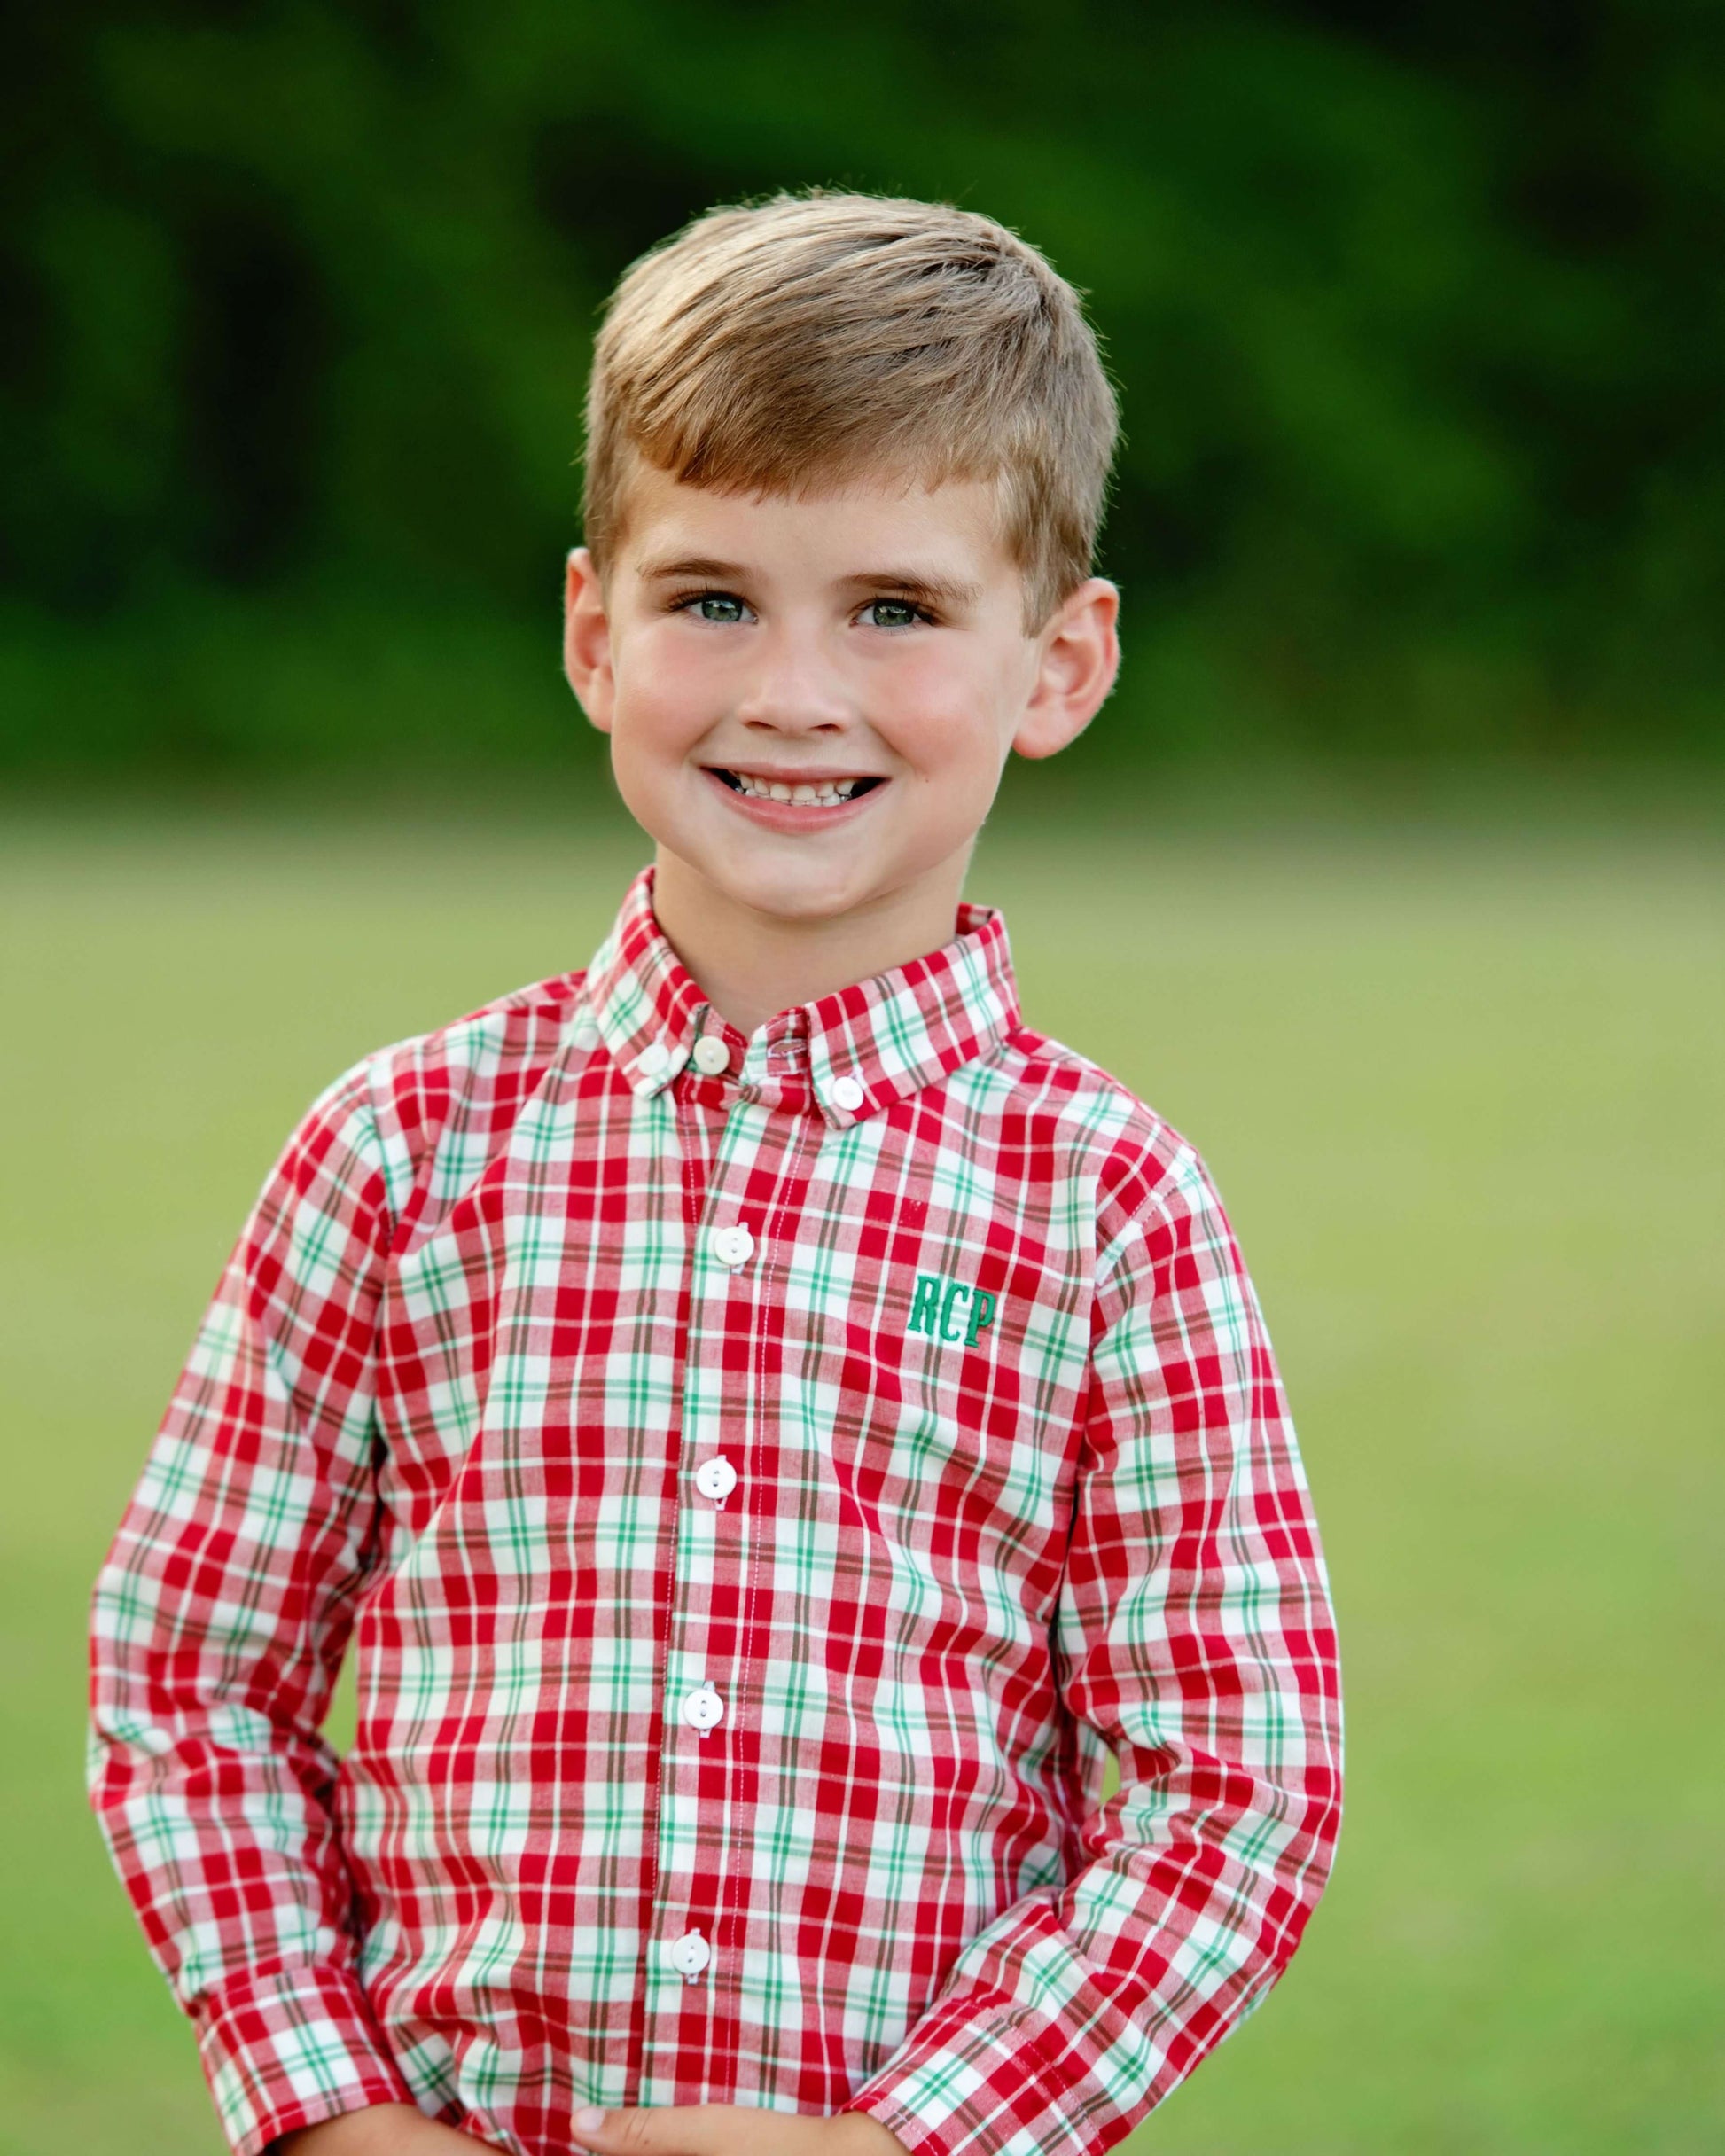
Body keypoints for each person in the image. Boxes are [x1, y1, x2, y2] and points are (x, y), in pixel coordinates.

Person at [87, 191, 1342, 2156]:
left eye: (896, 611)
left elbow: (1237, 1782)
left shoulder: (1105, 1204)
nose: (791, 690)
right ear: (595, 630)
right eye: (713, 599)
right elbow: (192, 1678)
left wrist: (914, 2141)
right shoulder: (403, 1153)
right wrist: (324, 2108)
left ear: (1059, 664)